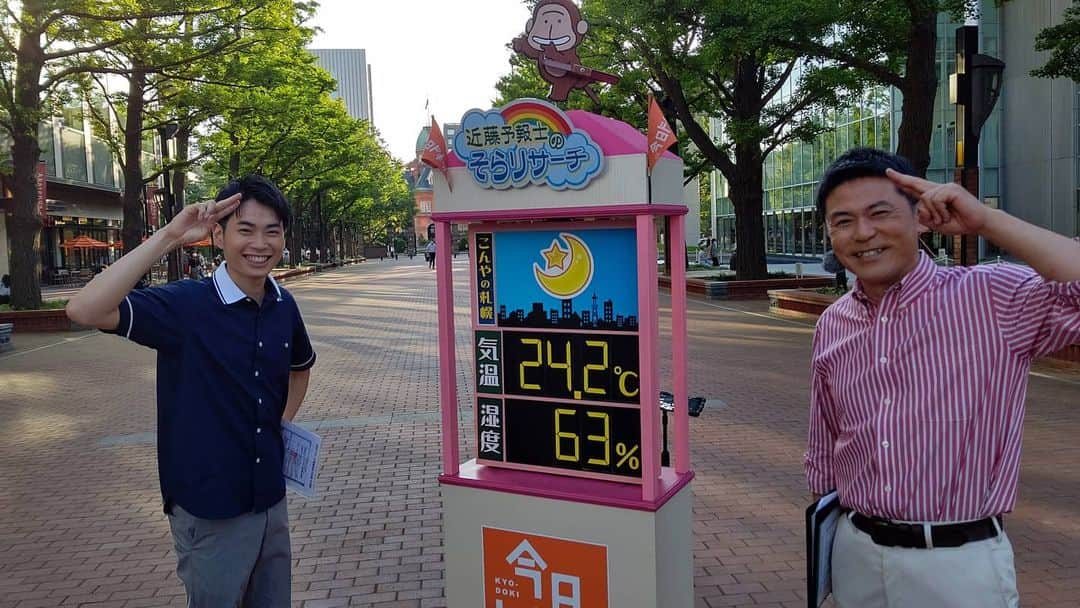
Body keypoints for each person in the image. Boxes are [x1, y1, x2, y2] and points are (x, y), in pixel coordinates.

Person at [805, 148, 1080, 607]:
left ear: (921, 218)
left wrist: (987, 221)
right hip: (855, 558)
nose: (864, 233)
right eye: (843, 220)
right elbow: (824, 448)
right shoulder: (833, 323)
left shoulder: (991, 298)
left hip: (958, 565)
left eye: (880, 213)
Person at [66, 175, 317, 607]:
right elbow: (84, 309)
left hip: (270, 498)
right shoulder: (185, 306)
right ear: (217, 234)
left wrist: (281, 424)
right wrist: (168, 236)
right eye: (246, 229)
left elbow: (300, 367)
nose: (260, 243)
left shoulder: (282, 303)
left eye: (272, 230)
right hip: (210, 506)